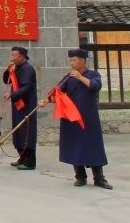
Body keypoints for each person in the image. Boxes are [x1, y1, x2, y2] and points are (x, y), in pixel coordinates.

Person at [55, 49, 112, 189]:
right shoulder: (68, 77)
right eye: (71, 60)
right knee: (76, 147)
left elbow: (95, 86)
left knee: (93, 146)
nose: (72, 63)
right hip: (72, 118)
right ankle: (80, 177)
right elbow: (58, 91)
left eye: (74, 60)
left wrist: (80, 77)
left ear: (83, 61)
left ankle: (99, 178)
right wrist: (48, 99)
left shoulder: (93, 75)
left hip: (89, 118)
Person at [2, 46, 38, 170]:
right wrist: (8, 71)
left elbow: (26, 87)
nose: (12, 58)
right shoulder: (16, 68)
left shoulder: (28, 69)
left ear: (22, 56)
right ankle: (21, 157)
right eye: (11, 55)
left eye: (14, 55)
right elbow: (6, 80)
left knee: (27, 132)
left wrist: (12, 94)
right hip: (17, 104)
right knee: (18, 132)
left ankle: (30, 162)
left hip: (27, 105)